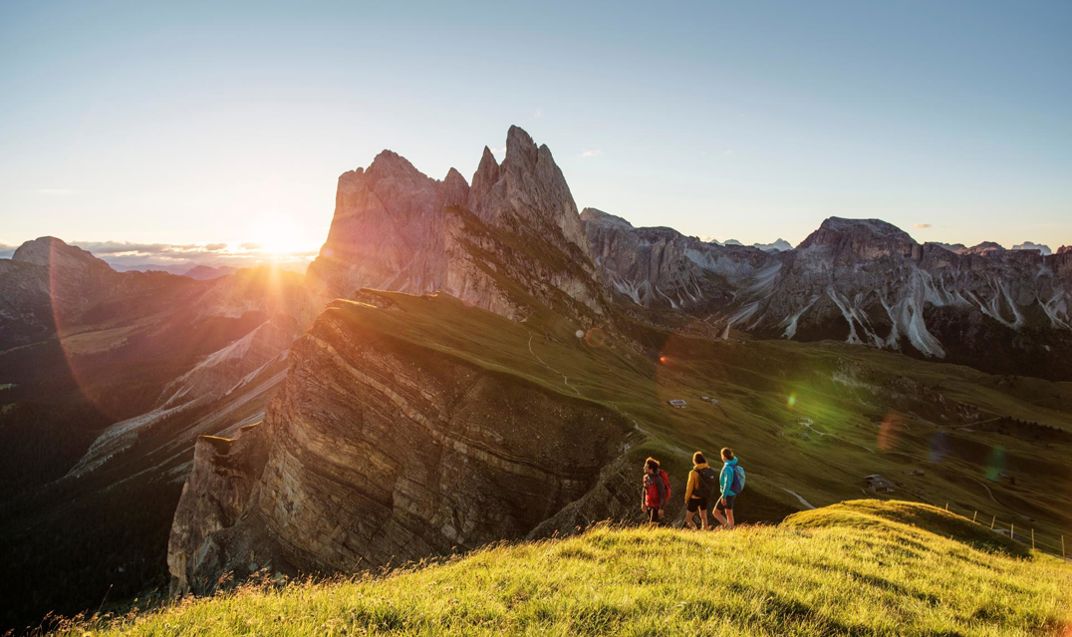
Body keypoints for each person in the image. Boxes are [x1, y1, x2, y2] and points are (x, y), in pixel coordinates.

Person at [683, 451, 718, 530]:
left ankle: (694, 529)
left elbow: (689, 487)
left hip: (695, 497)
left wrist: (686, 498)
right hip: (705, 497)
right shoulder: (709, 470)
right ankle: (704, 529)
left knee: (688, 519)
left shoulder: (693, 472)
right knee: (703, 516)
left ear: (694, 461)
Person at [711, 447, 742, 529]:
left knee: (716, 512)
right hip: (733, 492)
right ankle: (731, 530)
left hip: (727, 493)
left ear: (724, 456)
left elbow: (727, 483)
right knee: (729, 513)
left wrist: (724, 496)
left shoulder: (727, 468)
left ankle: (728, 528)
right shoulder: (734, 463)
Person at [640, 457, 669, 524]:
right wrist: (643, 503)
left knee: (653, 524)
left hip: (656, 505)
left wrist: (661, 508)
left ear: (651, 468)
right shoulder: (645, 477)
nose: (644, 467)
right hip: (649, 505)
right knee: (652, 523)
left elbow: (662, 494)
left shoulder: (658, 479)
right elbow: (644, 490)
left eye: (646, 466)